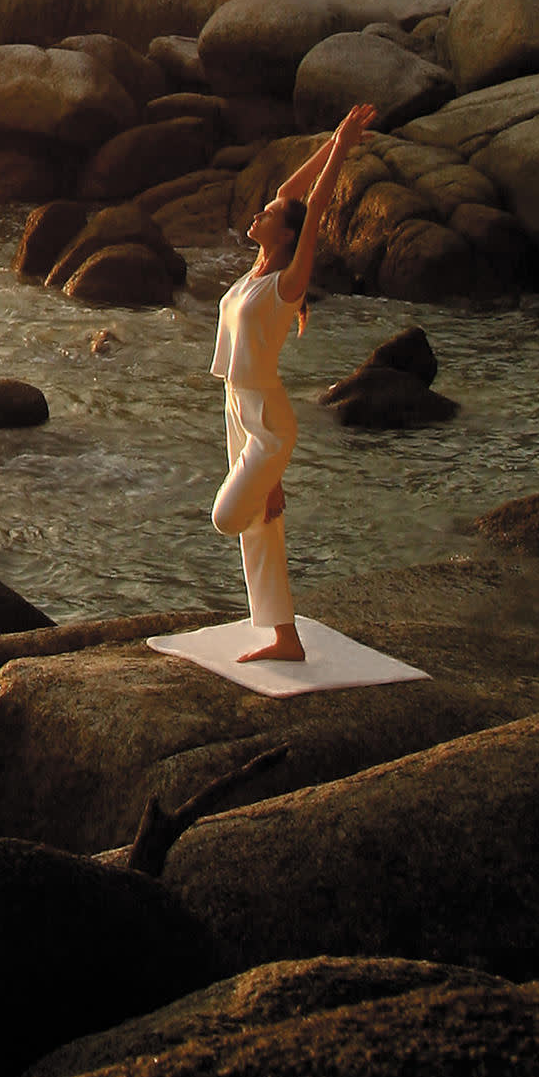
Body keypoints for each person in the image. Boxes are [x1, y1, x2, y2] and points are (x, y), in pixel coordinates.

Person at [209, 102, 377, 663]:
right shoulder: (255, 271)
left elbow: (315, 206)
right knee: (260, 529)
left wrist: (343, 149)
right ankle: (285, 637)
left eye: (268, 213)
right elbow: (289, 189)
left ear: (285, 234)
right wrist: (331, 140)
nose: (257, 213)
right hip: (236, 406)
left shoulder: (287, 281)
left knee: (228, 518)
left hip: (268, 419)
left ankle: (266, 490)